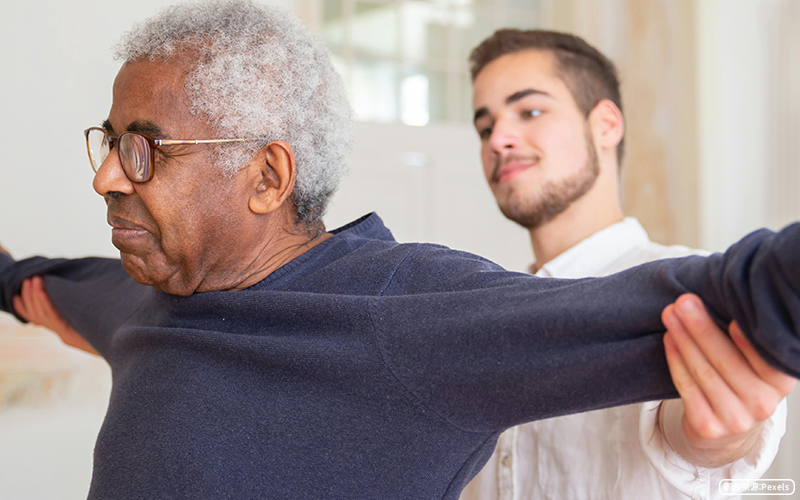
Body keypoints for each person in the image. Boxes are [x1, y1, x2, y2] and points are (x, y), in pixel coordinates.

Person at [0, 2, 799, 499]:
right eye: (107, 142)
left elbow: (722, 298)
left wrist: (721, 428)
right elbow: (38, 284)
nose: (106, 175)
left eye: (143, 148)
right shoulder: (136, 297)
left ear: (268, 176)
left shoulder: (408, 310)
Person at [461, 30, 793, 500]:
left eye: (529, 111)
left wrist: (719, 437)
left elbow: (697, 439)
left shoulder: (690, 285)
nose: (499, 139)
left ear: (605, 125)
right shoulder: (478, 317)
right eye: (484, 127)